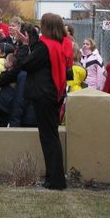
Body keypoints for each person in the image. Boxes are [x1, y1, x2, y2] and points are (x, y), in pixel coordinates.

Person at [15, 13, 67, 190]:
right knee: (51, 137)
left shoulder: (45, 46)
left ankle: (55, 181)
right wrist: (28, 44)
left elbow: (26, 64)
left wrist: (22, 46)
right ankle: (54, 179)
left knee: (48, 138)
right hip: (52, 95)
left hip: (44, 96)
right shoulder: (56, 44)